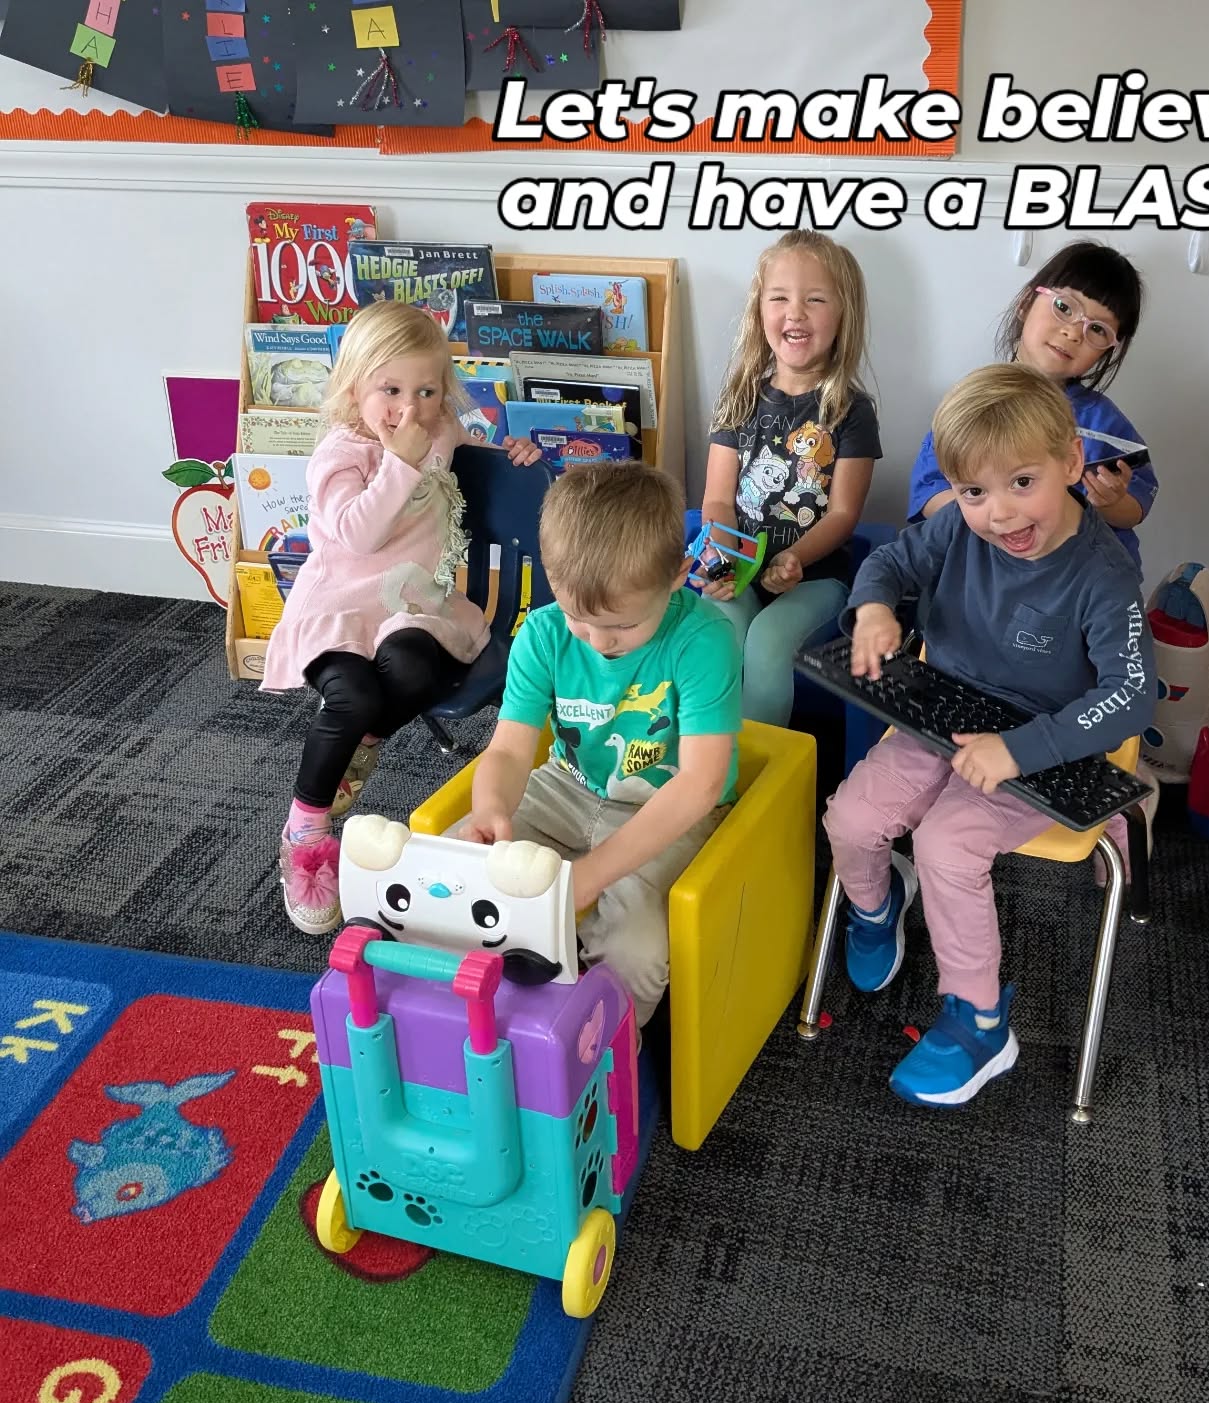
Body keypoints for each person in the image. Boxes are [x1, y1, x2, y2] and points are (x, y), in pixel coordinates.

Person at [822, 364, 1156, 1108]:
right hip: (942, 714)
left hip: (1045, 744)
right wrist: (875, 609)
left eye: (1022, 483)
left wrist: (1021, 750)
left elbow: (1131, 696)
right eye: (974, 492)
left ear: (1071, 463)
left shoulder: (1102, 576)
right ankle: (876, 907)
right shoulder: (956, 529)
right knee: (850, 819)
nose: (999, 514)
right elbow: (887, 562)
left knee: (947, 842)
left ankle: (980, 1022)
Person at [261, 300, 540, 935]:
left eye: (427, 390)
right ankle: (304, 826)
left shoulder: (440, 430)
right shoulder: (341, 452)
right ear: (354, 385)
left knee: (414, 670)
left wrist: (511, 451)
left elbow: (473, 461)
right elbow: (357, 536)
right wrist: (400, 462)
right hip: (338, 608)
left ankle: (361, 745)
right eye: (390, 390)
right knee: (354, 697)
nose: (410, 409)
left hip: (414, 603)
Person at [459, 462, 741, 1030]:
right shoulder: (542, 634)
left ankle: (605, 1057)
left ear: (678, 575)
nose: (598, 641)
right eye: (578, 618)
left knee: (637, 949)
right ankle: (482, 1026)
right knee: (451, 883)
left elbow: (699, 785)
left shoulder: (705, 639)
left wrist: (592, 875)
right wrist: (491, 809)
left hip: (664, 811)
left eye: (621, 626)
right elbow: (511, 750)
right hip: (565, 788)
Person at [700, 229, 881, 725]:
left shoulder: (852, 410)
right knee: (717, 634)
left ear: (843, 315)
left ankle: (755, 768)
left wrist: (795, 558)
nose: (794, 312)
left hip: (815, 577)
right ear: (760, 312)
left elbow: (845, 514)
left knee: (768, 642)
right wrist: (719, 553)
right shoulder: (738, 396)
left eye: (815, 299)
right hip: (739, 566)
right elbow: (716, 500)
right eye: (779, 297)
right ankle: (705, 761)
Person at [909, 241, 1156, 574]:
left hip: (1081, 581)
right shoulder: (976, 403)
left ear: (1107, 351)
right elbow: (930, 492)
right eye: (1064, 308)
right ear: (1027, 303)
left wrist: (1112, 503)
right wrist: (998, 524)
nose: (1072, 332)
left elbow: (1137, 507)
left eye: (1097, 329)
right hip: (987, 571)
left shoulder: (1105, 424)